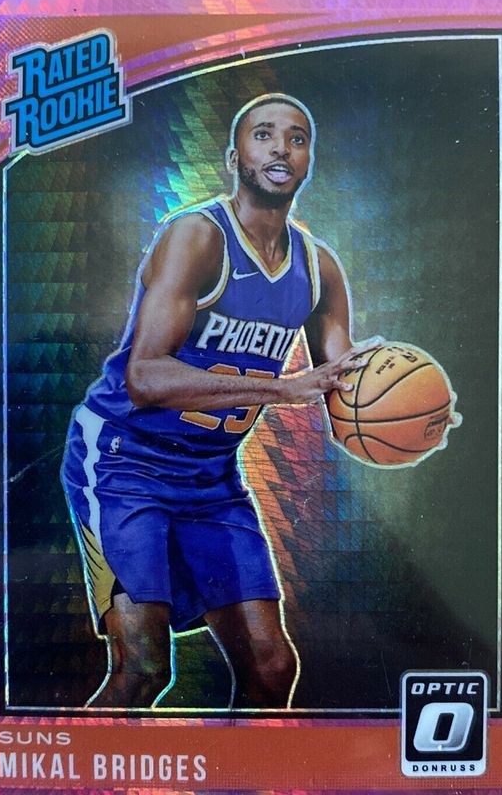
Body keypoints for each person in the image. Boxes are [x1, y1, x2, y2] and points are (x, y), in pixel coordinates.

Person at [61, 93, 380, 709]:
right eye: (264, 134)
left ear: (309, 160)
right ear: (234, 157)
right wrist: (277, 390)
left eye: (297, 138)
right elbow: (145, 377)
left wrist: (408, 409)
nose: (281, 147)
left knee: (271, 667)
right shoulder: (198, 236)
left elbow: (346, 393)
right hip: (124, 460)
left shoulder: (320, 269)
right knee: (144, 668)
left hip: (210, 478)